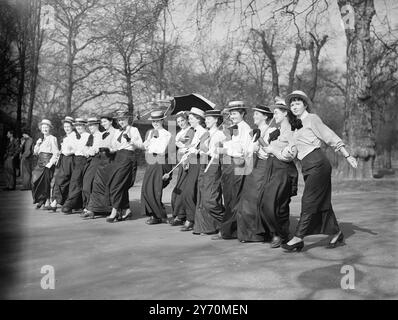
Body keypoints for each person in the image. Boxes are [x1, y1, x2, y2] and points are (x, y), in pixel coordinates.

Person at [282, 90, 358, 252]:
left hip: (318, 164)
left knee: (308, 200)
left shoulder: (312, 119)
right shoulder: (295, 125)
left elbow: (329, 136)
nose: (294, 107)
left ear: (305, 105)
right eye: (292, 104)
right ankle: (337, 233)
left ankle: (298, 237)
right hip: (307, 166)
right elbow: (295, 148)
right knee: (321, 201)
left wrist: (347, 155)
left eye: (298, 103)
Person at [256, 102, 299, 248]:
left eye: (276, 113)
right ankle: (277, 233)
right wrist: (262, 144)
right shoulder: (277, 132)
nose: (273, 116)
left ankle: (280, 234)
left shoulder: (291, 131)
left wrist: (272, 151)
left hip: (283, 170)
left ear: (285, 113)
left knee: (276, 204)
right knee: (266, 203)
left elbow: (291, 154)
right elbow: (267, 151)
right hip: (272, 168)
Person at [212, 101, 252, 240]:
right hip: (229, 165)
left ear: (242, 114)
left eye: (235, 113)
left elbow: (242, 150)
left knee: (233, 199)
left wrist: (225, 148)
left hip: (238, 164)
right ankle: (230, 229)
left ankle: (228, 231)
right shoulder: (233, 128)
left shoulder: (245, 129)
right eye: (231, 113)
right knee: (229, 197)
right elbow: (228, 143)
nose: (232, 116)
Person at [235, 105, 275, 243]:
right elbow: (248, 149)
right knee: (246, 200)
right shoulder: (254, 132)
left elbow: (269, 152)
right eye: (254, 114)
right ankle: (247, 234)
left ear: (265, 116)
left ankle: (259, 234)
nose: (254, 116)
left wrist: (260, 145)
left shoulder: (272, 130)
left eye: (257, 114)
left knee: (256, 199)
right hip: (251, 166)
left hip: (262, 167)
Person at [193, 109, 226, 235]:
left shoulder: (220, 134)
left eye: (209, 118)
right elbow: (199, 149)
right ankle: (207, 227)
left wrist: (206, 149)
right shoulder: (206, 133)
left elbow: (216, 154)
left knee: (210, 198)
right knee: (201, 197)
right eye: (205, 118)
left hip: (213, 166)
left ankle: (226, 222)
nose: (206, 120)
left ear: (216, 120)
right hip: (203, 164)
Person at [105, 111, 143, 222]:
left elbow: (141, 145)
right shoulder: (117, 132)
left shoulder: (133, 130)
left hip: (128, 158)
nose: (121, 122)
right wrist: (108, 150)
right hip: (117, 158)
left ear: (128, 119)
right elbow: (114, 147)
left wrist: (130, 140)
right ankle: (126, 210)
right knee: (119, 184)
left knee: (117, 184)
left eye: (123, 119)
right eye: (119, 120)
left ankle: (115, 211)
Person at [83, 114, 121, 219]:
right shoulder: (103, 134)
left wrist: (110, 148)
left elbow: (118, 146)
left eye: (105, 122)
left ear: (111, 121)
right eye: (102, 122)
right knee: (97, 185)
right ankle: (92, 209)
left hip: (111, 161)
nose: (103, 124)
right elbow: (97, 147)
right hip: (101, 161)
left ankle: (109, 210)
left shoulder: (116, 132)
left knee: (108, 186)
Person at [178, 107, 208, 232]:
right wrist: (186, 150)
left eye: (191, 118)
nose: (189, 121)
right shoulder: (194, 131)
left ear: (198, 119)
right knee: (187, 192)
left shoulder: (204, 132)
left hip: (198, 163)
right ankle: (191, 218)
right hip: (191, 162)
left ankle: (191, 220)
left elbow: (205, 149)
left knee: (190, 192)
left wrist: (196, 150)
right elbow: (190, 146)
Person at [141, 110, 173, 224]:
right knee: (146, 189)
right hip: (151, 161)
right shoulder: (150, 133)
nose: (155, 123)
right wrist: (147, 143)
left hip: (160, 162)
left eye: (157, 121)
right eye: (153, 121)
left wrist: (153, 144)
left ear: (162, 121)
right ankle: (153, 214)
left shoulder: (167, 134)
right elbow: (146, 147)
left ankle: (160, 216)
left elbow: (162, 151)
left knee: (155, 189)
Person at [169, 112, 195, 226]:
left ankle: (181, 215)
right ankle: (179, 214)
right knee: (178, 189)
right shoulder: (180, 132)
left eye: (182, 121)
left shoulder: (191, 130)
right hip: (181, 162)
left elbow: (186, 144)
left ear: (187, 120)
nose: (180, 124)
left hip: (188, 162)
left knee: (183, 189)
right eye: (178, 122)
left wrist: (179, 143)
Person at [61, 117, 90, 214]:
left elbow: (88, 150)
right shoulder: (78, 136)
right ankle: (78, 204)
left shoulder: (88, 136)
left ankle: (69, 205)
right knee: (77, 182)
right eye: (77, 126)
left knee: (76, 182)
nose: (78, 127)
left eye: (80, 125)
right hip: (75, 160)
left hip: (83, 160)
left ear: (84, 126)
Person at [48, 116, 76, 212]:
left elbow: (75, 149)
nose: (66, 128)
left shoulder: (75, 137)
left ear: (73, 127)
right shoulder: (65, 137)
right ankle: (57, 202)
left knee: (63, 180)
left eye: (68, 126)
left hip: (71, 159)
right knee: (61, 180)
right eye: (65, 126)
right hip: (64, 159)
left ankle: (57, 202)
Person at [31, 119, 59, 209]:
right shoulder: (40, 139)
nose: (45, 129)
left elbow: (56, 153)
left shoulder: (53, 138)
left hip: (48, 161)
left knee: (46, 182)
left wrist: (50, 163)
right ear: (41, 129)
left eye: (46, 127)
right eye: (43, 127)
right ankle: (40, 199)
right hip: (40, 162)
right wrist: (38, 144)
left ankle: (46, 200)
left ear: (49, 128)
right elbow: (35, 152)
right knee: (35, 181)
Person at [81, 117, 103, 213]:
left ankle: (91, 207)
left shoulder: (100, 135)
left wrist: (88, 151)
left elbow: (95, 150)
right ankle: (88, 206)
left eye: (92, 125)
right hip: (90, 161)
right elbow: (85, 149)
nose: (90, 127)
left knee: (89, 184)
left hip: (97, 161)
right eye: (89, 125)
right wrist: (88, 151)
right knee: (86, 183)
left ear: (97, 125)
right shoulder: (91, 136)